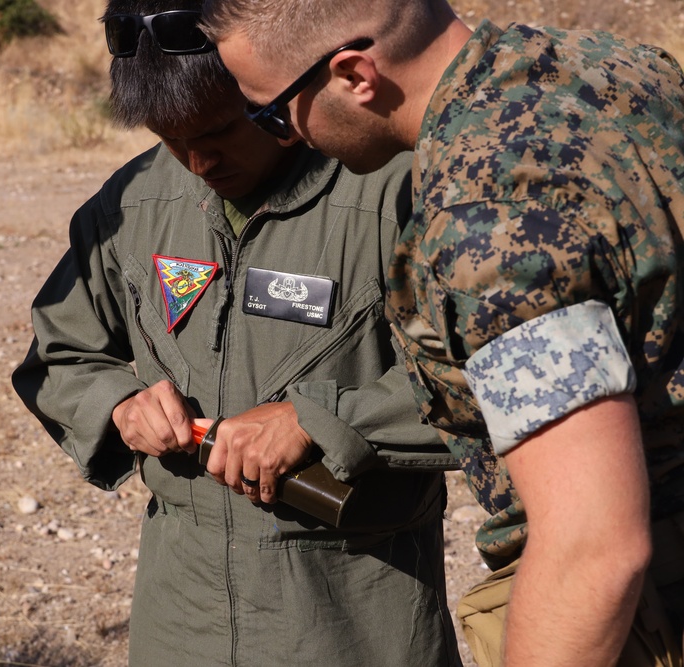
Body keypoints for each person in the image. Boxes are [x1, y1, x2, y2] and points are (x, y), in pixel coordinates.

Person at [202, 0, 684, 664]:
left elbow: (594, 545)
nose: (283, 134)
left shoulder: (488, 221)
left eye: (271, 109)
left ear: (354, 75)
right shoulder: (612, 67)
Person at [12, 1, 461, 664]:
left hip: (355, 612)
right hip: (182, 612)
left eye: (218, 131)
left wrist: (321, 420)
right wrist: (118, 404)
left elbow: (486, 379)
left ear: (269, 90)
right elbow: (61, 353)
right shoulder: (134, 202)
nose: (197, 160)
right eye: (170, 137)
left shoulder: (394, 189)